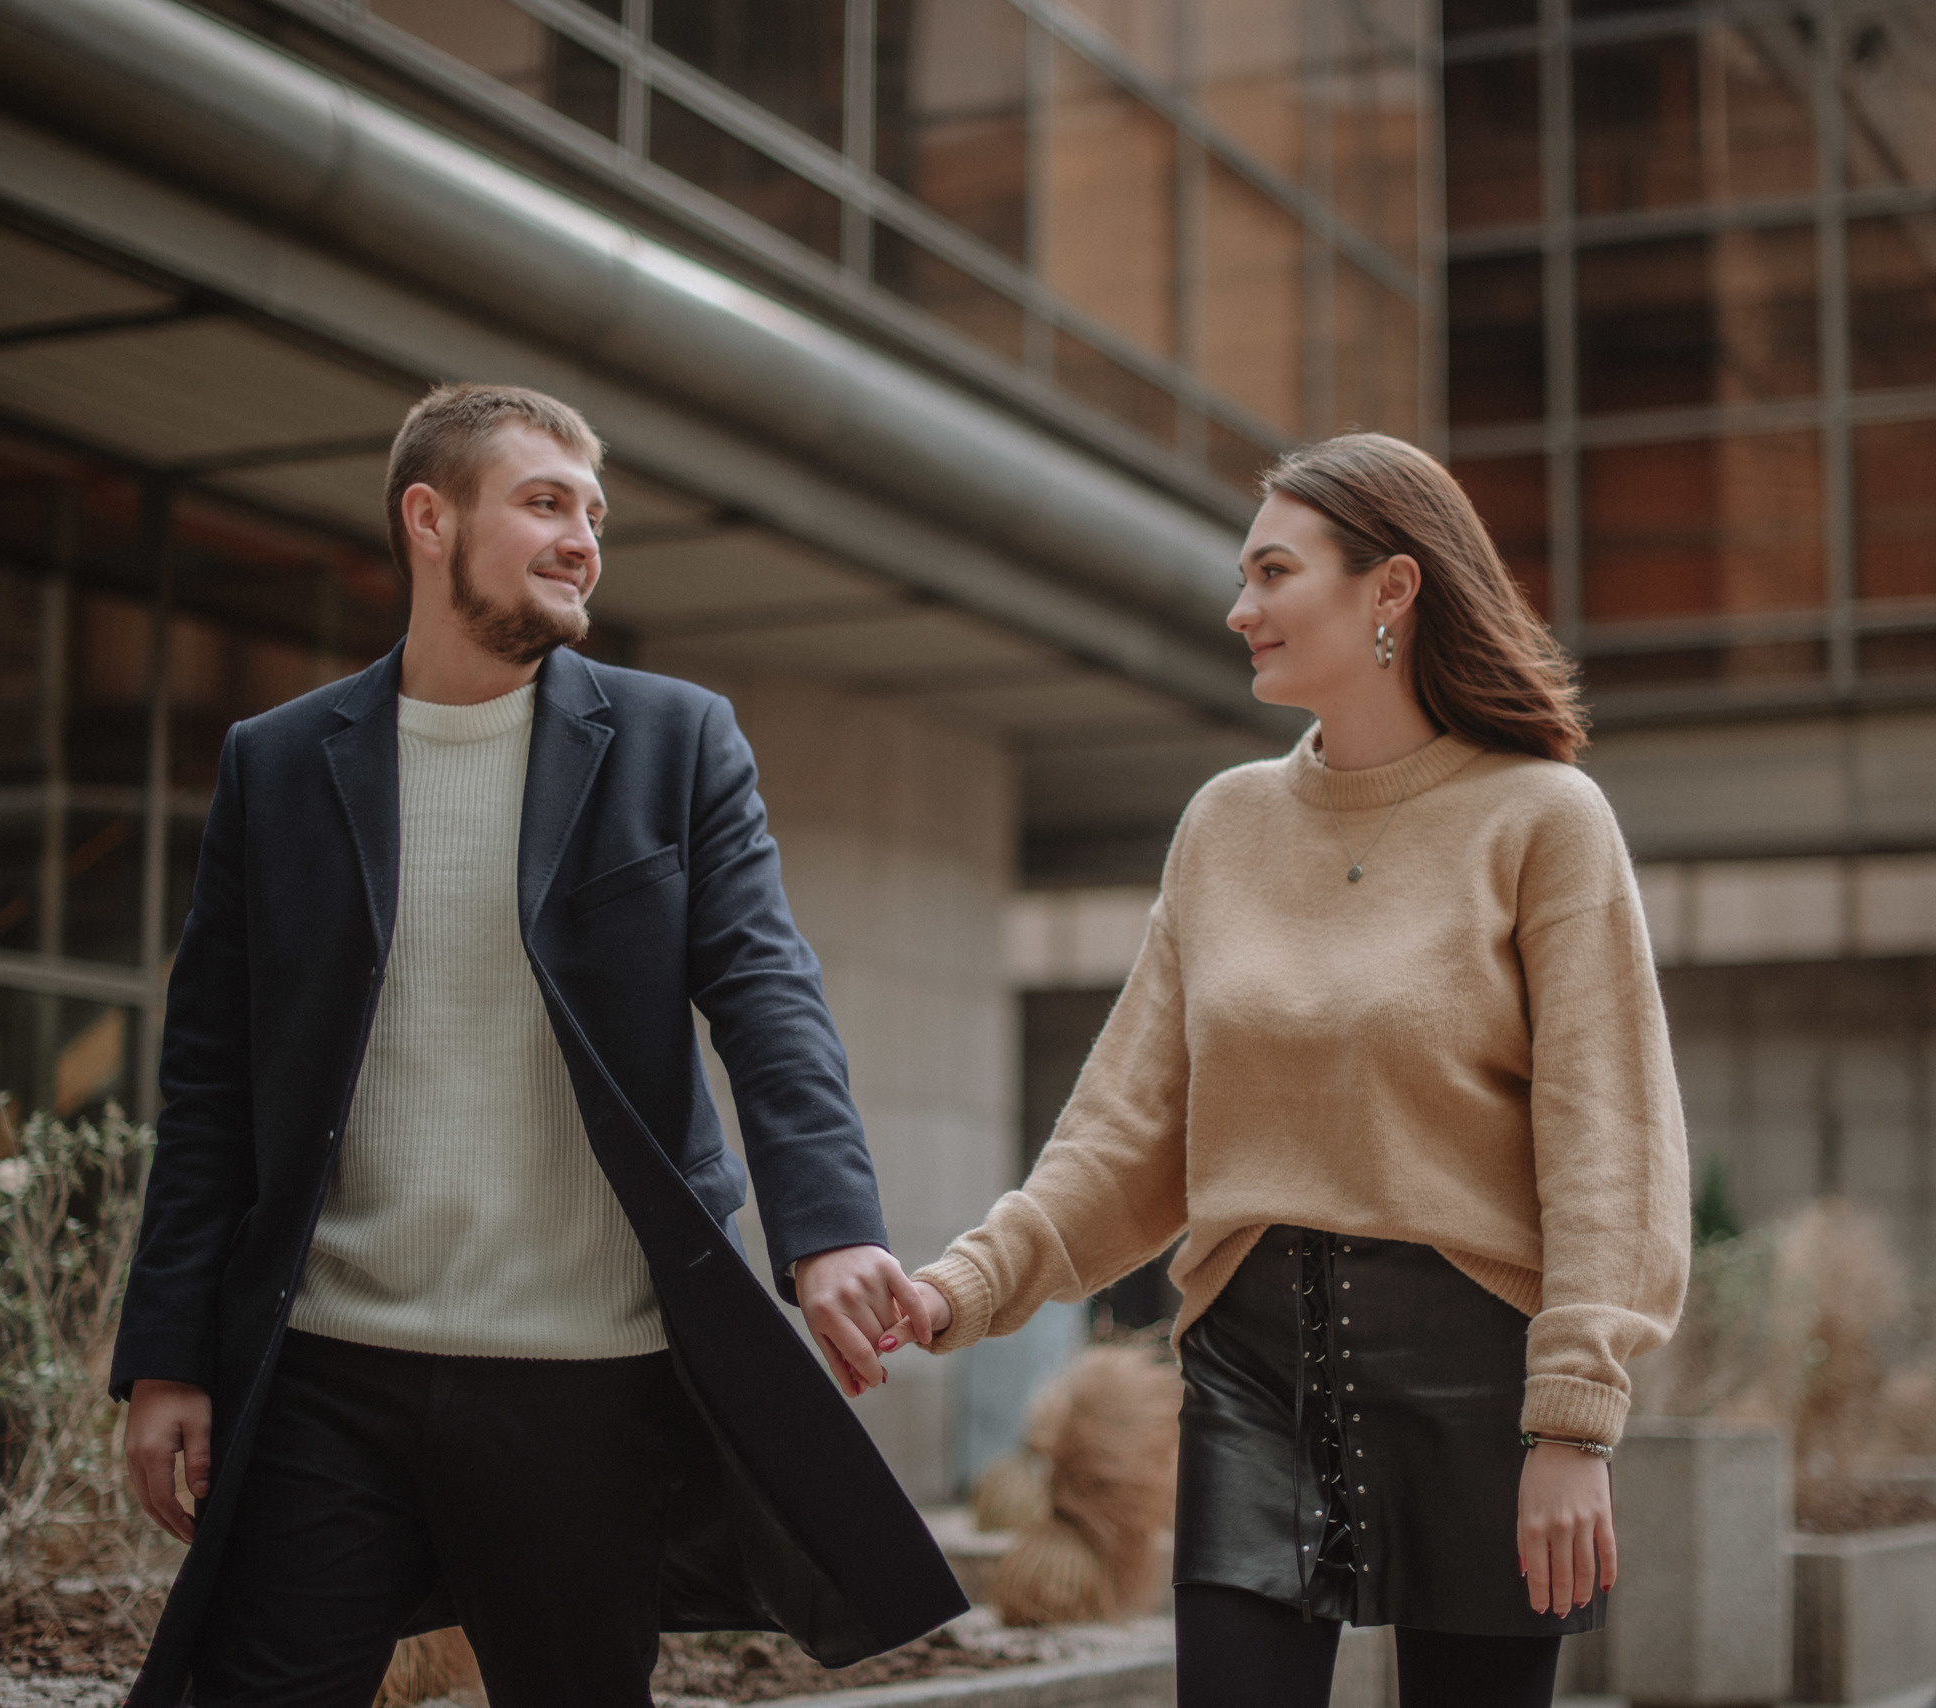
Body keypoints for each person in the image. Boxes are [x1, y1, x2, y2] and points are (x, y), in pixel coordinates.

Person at [109, 383, 962, 1708]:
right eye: (546, 503)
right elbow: (211, 1077)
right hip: (331, 1365)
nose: (583, 540)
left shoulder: (675, 744)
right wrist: (167, 1353)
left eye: (597, 516)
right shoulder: (276, 766)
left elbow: (766, 991)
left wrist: (829, 1226)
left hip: (583, 1384)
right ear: (428, 518)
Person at [895, 434, 1689, 1708]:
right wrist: (961, 1287)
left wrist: (1570, 1422)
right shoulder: (1224, 826)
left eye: (1272, 571)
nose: (1239, 608)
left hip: (1476, 1382)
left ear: (1391, 589)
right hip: (1248, 1371)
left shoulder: (1543, 819)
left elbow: (1609, 1141)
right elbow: (1128, 1127)